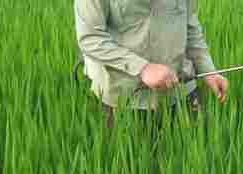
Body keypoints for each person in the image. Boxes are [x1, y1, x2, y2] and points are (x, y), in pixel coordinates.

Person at [74, 0, 229, 129]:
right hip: (125, 97)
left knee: (191, 159)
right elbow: (90, 38)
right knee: (130, 163)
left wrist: (208, 71)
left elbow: (190, 27)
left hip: (181, 91)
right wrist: (142, 68)